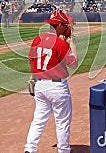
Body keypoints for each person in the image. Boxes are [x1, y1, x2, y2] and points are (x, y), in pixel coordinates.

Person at [24, 11, 78, 153]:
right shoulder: (61, 44)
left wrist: (33, 77)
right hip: (57, 87)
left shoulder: (38, 39)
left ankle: (30, 148)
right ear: (59, 25)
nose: (67, 28)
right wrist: (72, 44)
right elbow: (73, 64)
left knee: (38, 119)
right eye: (65, 25)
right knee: (62, 122)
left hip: (41, 85)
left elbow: (30, 60)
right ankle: (64, 150)